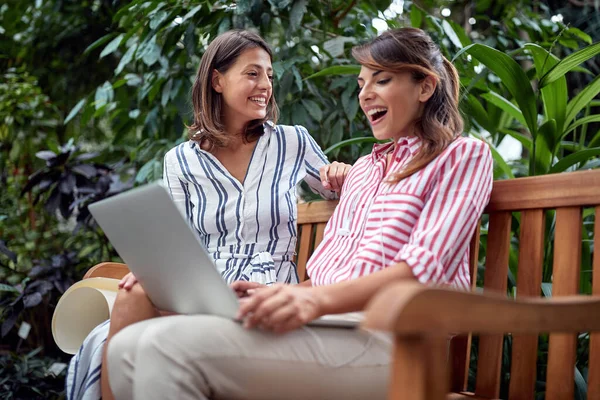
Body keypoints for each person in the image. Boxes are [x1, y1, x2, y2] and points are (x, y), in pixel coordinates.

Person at [106, 27, 494, 400]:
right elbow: (328, 276)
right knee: (128, 349)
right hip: (332, 329)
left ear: (425, 86)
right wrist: (282, 293)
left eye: (381, 80)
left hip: (398, 345)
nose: (365, 94)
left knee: (162, 347)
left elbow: (420, 269)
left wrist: (314, 301)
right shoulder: (365, 170)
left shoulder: (462, 156)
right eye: (361, 84)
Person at [65, 30, 350, 400]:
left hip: (266, 287)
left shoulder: (291, 142)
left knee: (138, 324)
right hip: (200, 291)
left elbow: (338, 189)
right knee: (131, 294)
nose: (265, 84)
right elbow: (175, 241)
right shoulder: (179, 161)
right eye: (252, 73)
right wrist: (152, 268)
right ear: (217, 80)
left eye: (268, 75)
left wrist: (340, 175)